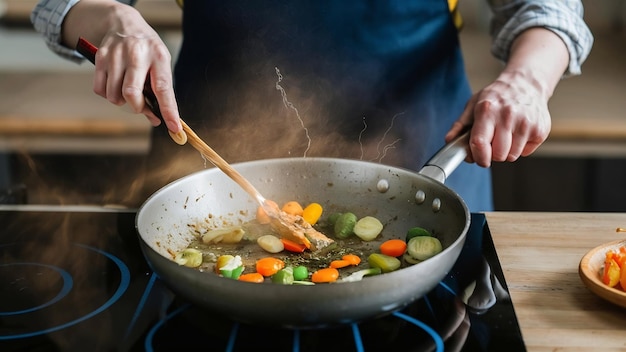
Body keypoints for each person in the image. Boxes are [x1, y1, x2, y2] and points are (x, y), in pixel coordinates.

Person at [31, 0, 593, 211]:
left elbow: (550, 8)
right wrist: (115, 20)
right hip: (210, 171)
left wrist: (526, 80)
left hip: (421, 164)